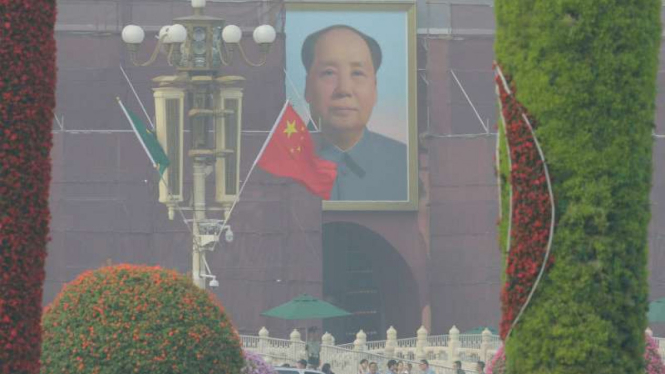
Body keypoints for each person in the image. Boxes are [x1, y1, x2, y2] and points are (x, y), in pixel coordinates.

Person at [301, 24, 408, 201]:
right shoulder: (277, 161)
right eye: (329, 73)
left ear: (375, 88)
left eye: (357, 73)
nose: (344, 89)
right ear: (307, 87)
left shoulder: (403, 163)